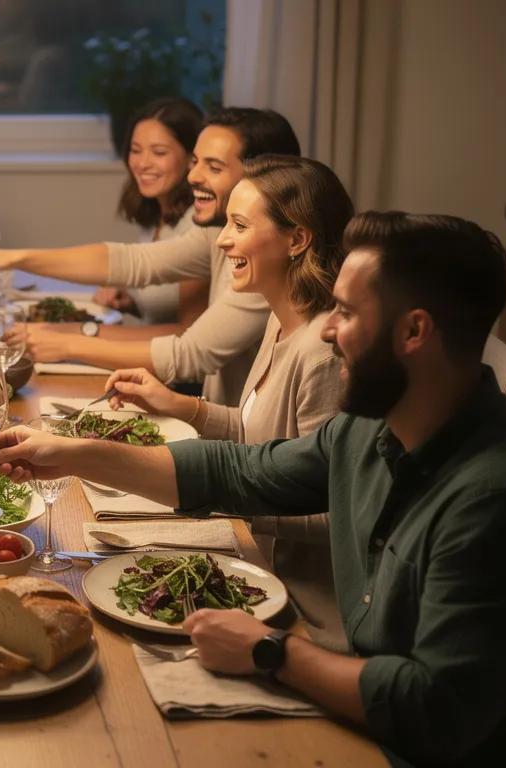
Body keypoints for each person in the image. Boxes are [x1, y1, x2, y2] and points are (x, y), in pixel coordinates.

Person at [0, 212, 506, 766]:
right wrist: (75, 456)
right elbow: (240, 472)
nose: (328, 333)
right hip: (355, 710)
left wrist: (271, 651)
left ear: (414, 331)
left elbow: (434, 709)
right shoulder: (372, 425)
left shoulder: (501, 495)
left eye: (347, 313)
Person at [105, 155, 354, 648]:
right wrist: (179, 404)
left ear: (297, 239)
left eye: (239, 226)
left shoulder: (323, 352)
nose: (222, 240)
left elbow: (337, 514)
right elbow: (260, 438)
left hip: (303, 606)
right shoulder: (281, 315)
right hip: (252, 563)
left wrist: (226, 501)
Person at [0, 108, 301, 406]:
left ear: (262, 178)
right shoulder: (216, 232)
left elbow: (189, 354)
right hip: (219, 426)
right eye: (196, 162)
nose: (193, 176)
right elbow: (132, 262)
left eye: (214, 167)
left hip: (234, 446)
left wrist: (68, 342)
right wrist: (13, 257)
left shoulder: (269, 263)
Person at [94, 97, 210, 328]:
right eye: (135, 150)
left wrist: (79, 336)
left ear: (191, 159)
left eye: (159, 152)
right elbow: (165, 314)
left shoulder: (198, 225)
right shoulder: (157, 214)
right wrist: (132, 304)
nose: (142, 163)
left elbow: (190, 340)